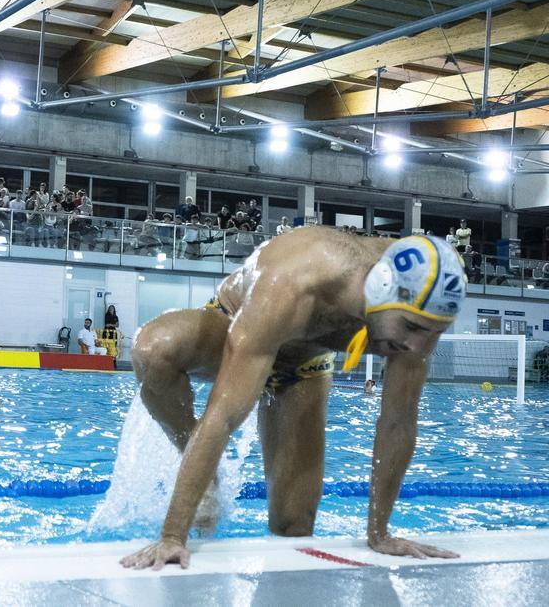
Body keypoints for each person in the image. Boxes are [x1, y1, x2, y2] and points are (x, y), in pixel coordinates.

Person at [120, 230, 466, 571]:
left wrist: (380, 533)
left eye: (434, 332)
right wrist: (172, 536)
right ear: (379, 291)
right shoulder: (294, 280)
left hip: (303, 365)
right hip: (233, 326)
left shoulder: (420, 310)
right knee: (157, 350)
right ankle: (200, 468)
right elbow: (223, 415)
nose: (418, 347)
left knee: (294, 525)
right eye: (412, 329)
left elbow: (398, 422)